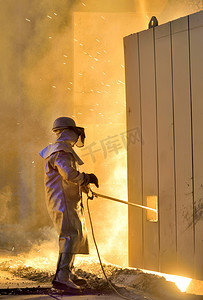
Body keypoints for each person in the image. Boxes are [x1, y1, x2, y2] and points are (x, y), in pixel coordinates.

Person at [39, 117, 99, 290]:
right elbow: (68, 174)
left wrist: (86, 187)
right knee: (70, 236)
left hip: (66, 199)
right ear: (67, 131)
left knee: (74, 236)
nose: (76, 137)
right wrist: (87, 177)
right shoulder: (61, 151)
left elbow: (70, 177)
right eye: (74, 132)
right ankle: (62, 277)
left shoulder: (59, 150)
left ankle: (67, 272)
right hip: (62, 201)